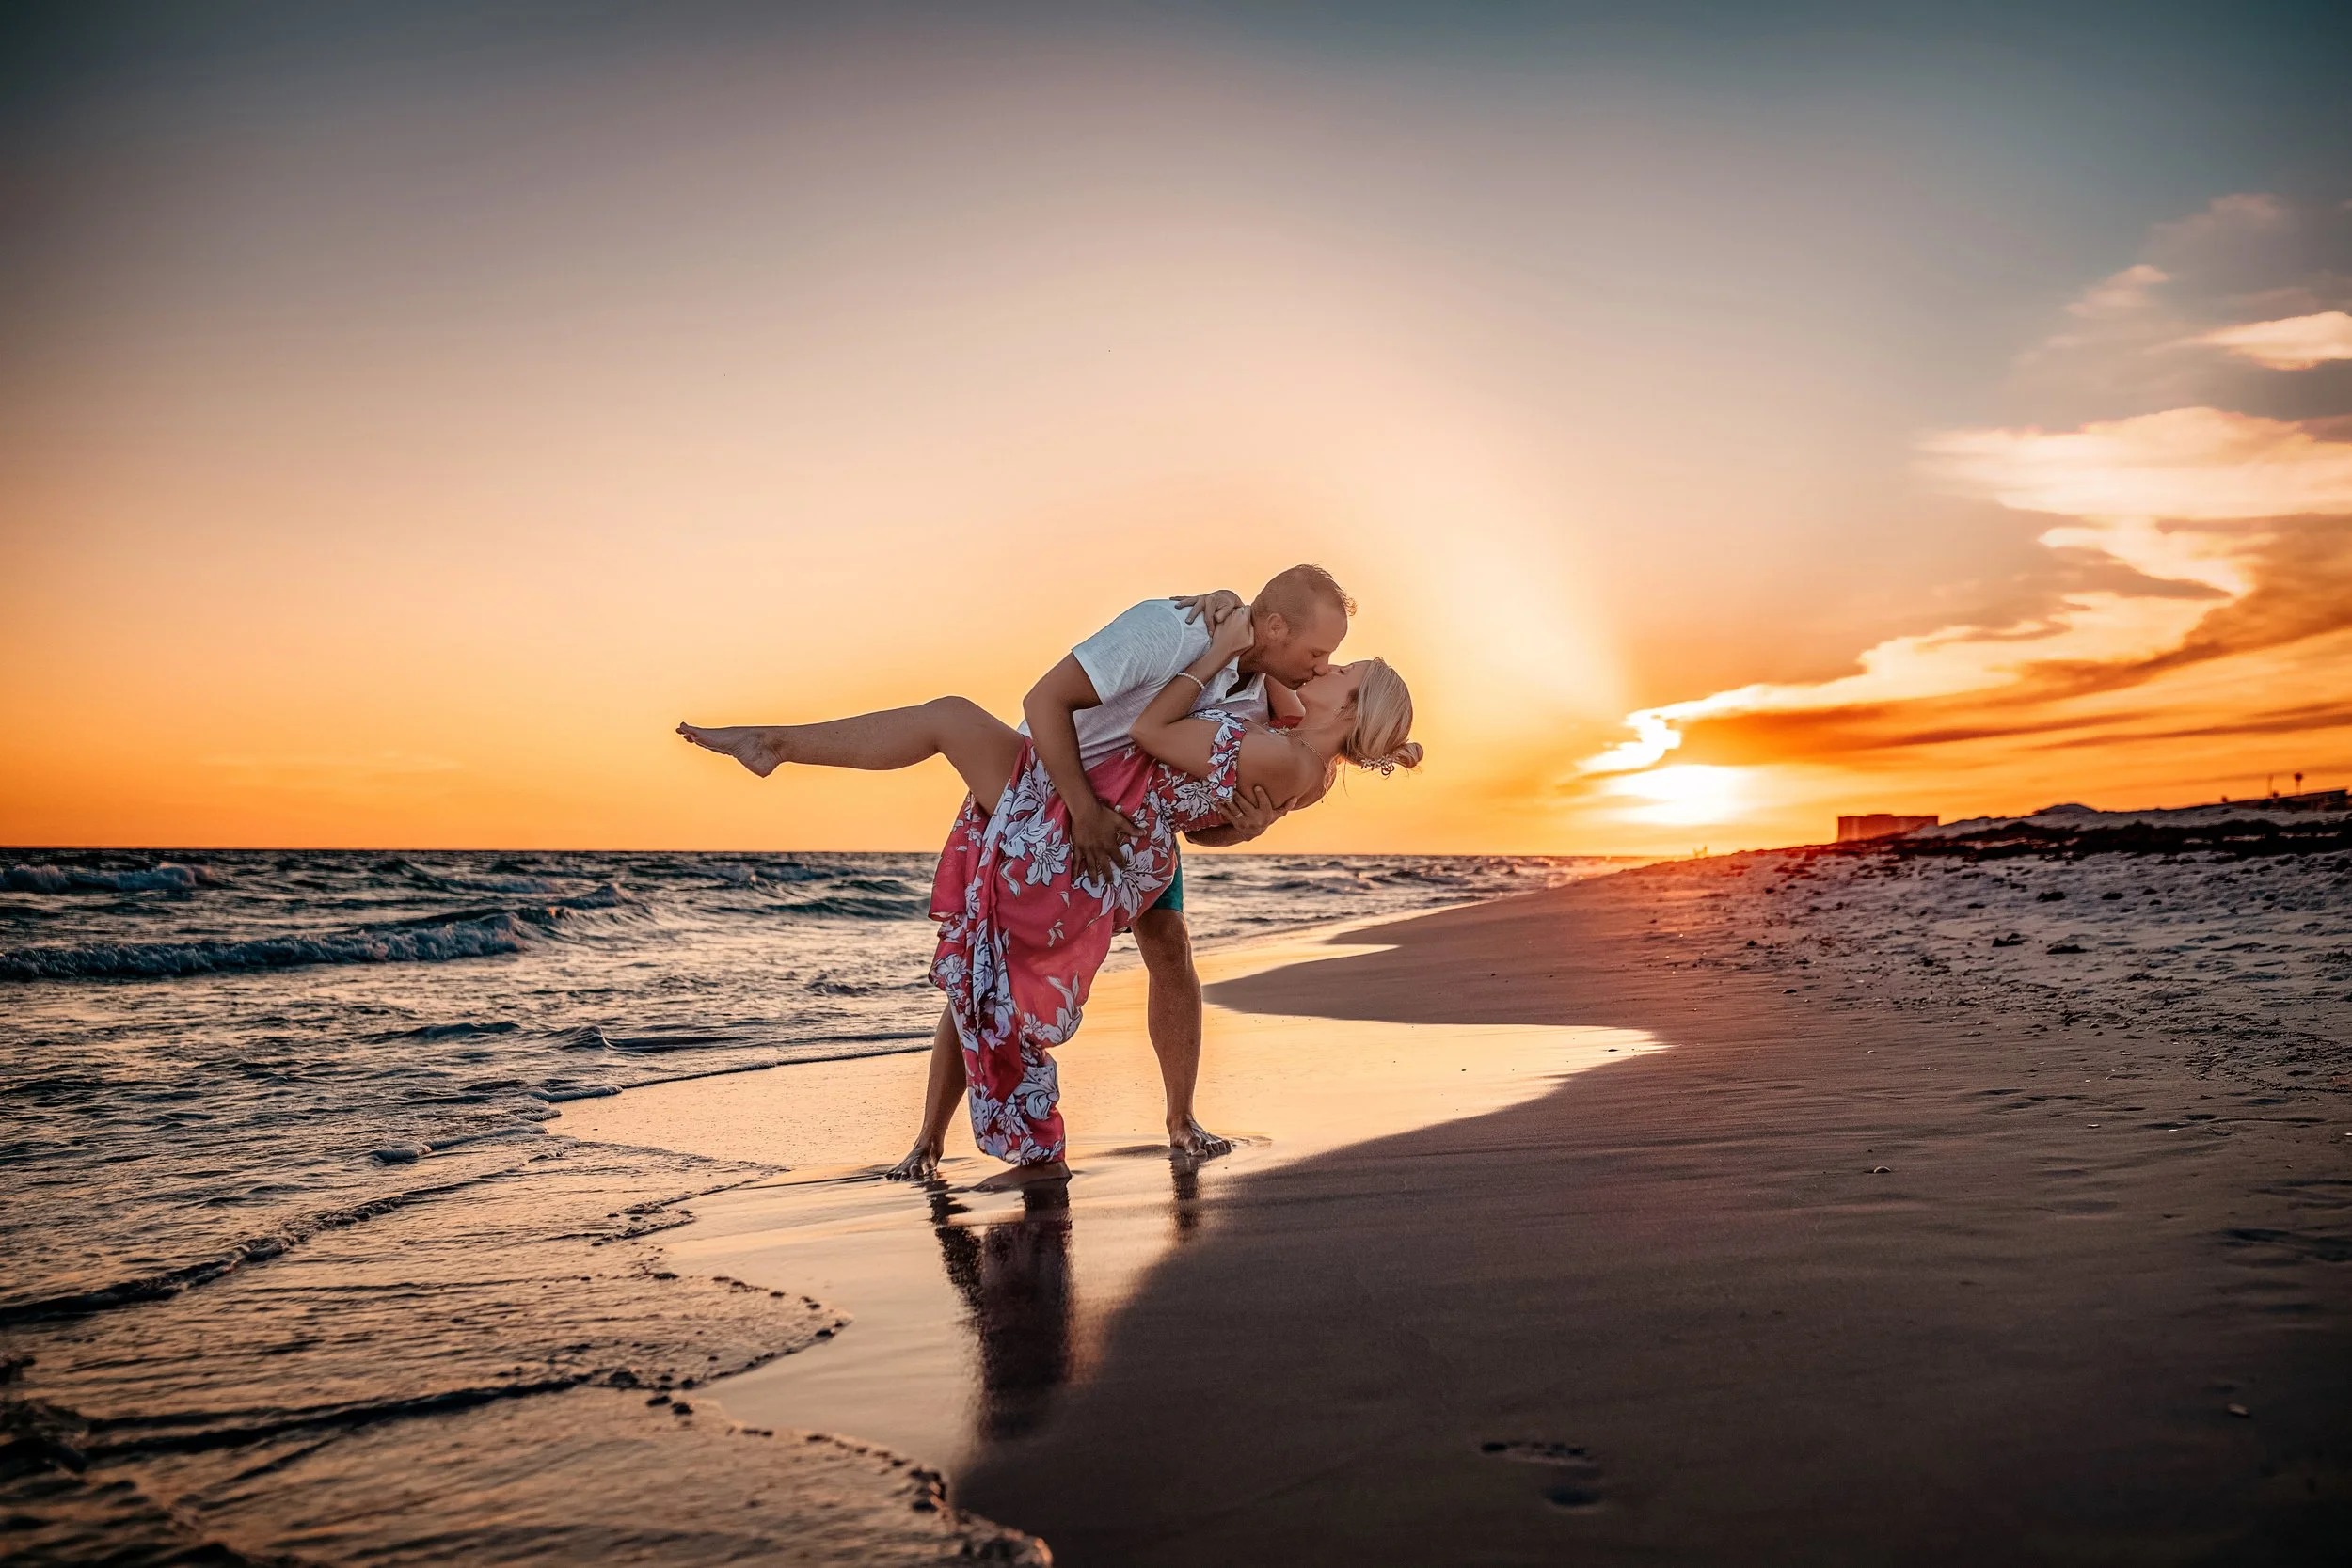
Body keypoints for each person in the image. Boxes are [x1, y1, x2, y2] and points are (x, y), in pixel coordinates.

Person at [677, 565, 1422, 1181]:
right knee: (980, 916)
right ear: (1278, 628)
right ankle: (929, 1138)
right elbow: (1044, 702)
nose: (1322, 666)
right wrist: (1089, 811)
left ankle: (1180, 1119)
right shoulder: (1175, 630)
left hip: (1133, 826)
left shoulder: (1272, 700)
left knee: (1160, 949)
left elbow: (1210, 805)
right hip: (1056, 787)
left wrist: (1248, 826)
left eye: (1335, 663)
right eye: (1321, 653)